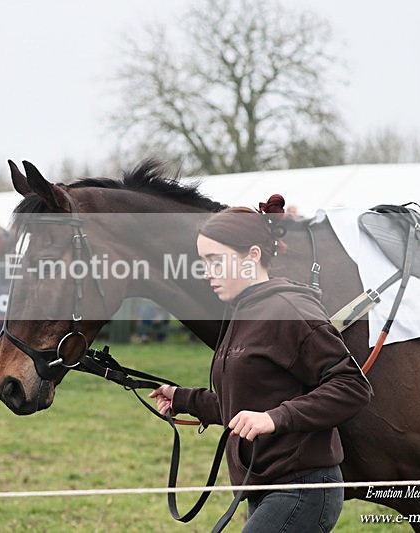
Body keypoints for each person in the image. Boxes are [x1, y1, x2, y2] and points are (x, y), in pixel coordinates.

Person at [149, 195, 372, 532]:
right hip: (265, 487)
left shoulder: (289, 311)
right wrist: (183, 399)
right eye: (203, 262)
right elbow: (246, 403)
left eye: (215, 261)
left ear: (252, 256)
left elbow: (353, 387)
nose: (207, 272)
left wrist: (275, 418)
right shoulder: (241, 311)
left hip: (303, 488)